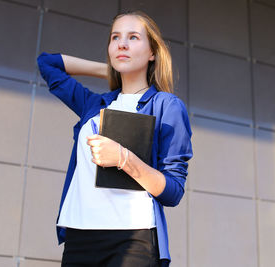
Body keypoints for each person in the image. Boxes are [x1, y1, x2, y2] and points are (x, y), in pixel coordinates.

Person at [37, 10, 192, 267]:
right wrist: (112, 69)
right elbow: (47, 64)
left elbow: (173, 191)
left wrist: (123, 158)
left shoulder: (166, 106)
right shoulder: (94, 104)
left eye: (133, 37)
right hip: (79, 233)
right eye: (115, 38)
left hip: (133, 238)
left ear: (152, 52)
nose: (122, 44)